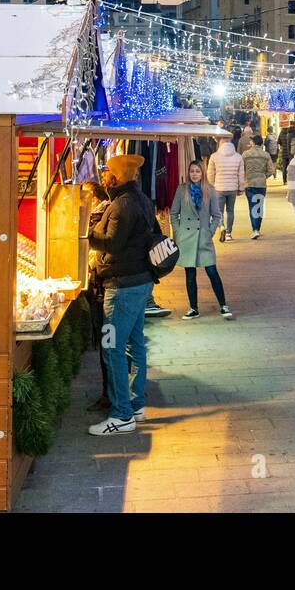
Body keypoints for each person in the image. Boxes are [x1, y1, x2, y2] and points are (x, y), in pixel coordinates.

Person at [87, 154, 157, 436]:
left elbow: (112, 244)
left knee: (112, 348)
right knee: (135, 344)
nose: (104, 175)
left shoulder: (121, 206)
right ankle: (136, 403)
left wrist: (87, 236)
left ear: (117, 177)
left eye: (107, 172)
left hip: (122, 286)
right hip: (140, 282)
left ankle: (121, 414)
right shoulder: (141, 200)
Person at [170, 160, 234, 320]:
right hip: (187, 239)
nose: (194, 174)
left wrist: (209, 232)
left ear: (202, 173)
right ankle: (193, 308)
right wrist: (178, 233)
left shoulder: (210, 190)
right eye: (192, 171)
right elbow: (174, 213)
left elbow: (217, 215)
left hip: (203, 238)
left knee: (212, 271)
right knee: (190, 274)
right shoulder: (182, 189)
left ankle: (223, 305)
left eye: (198, 171)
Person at [80, 180, 111, 412]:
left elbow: (105, 246)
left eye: (86, 195)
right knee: (115, 344)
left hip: (108, 288)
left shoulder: (103, 215)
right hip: (109, 286)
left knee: (109, 344)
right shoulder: (112, 210)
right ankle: (115, 391)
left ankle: (113, 395)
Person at [207, 134, 245, 242]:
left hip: (219, 188)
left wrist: (211, 186)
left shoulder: (214, 156)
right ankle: (229, 233)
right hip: (232, 188)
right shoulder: (238, 156)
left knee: (219, 211)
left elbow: (210, 174)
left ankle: (221, 226)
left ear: (220, 143)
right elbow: (241, 174)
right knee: (230, 211)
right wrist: (240, 188)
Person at [242, 134, 273, 240]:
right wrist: (264, 176)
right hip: (261, 184)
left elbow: (242, 169)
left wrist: (246, 176)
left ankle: (255, 229)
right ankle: (257, 228)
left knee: (252, 206)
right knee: (259, 205)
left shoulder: (246, 154)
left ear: (254, 143)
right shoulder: (266, 155)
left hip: (249, 183)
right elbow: (271, 170)